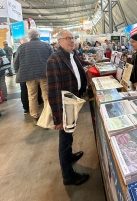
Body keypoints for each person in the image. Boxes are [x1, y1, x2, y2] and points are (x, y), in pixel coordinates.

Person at [47, 30, 89, 186]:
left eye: (73, 38)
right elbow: (53, 90)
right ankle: (68, 176)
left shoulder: (72, 55)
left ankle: (69, 156)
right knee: (64, 139)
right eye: (68, 38)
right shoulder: (54, 60)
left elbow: (78, 71)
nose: (72, 41)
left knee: (69, 133)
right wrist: (58, 118)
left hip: (73, 101)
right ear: (59, 41)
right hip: (64, 104)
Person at [14, 29, 53, 123]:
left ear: (29, 37)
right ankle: (48, 115)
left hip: (29, 75)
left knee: (32, 96)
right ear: (38, 36)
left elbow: (16, 62)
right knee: (46, 95)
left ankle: (35, 117)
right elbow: (53, 59)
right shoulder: (46, 45)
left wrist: (17, 71)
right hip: (44, 74)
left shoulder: (22, 47)